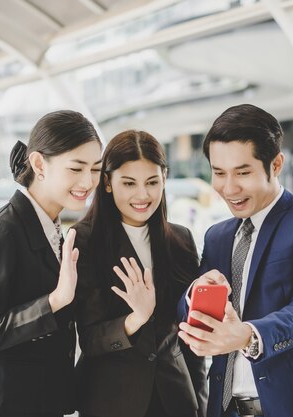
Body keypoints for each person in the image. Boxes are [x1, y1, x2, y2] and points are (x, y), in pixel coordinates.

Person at [177, 104, 293, 417]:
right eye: (219, 173)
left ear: (275, 164)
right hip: (227, 408)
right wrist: (195, 292)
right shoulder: (217, 236)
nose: (229, 187)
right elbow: (190, 314)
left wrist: (248, 335)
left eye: (243, 172)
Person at [0, 110, 102, 417]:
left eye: (95, 169)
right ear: (39, 164)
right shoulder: (1, 232)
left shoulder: (57, 231)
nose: (88, 181)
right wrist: (53, 302)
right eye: (76, 168)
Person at [73, 130, 208, 417]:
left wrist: (200, 402)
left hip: (176, 400)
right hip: (112, 401)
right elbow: (89, 338)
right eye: (129, 183)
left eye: (152, 182)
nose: (142, 195)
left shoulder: (181, 240)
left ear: (164, 178)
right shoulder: (84, 241)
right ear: (107, 182)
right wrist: (135, 319)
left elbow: (190, 336)